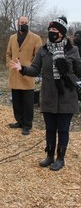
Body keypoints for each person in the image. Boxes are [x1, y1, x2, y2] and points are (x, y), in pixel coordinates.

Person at [10, 16, 81, 171]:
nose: (51, 32)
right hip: (48, 95)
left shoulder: (72, 50)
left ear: (61, 33)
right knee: (50, 129)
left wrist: (67, 71)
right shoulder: (43, 50)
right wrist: (22, 68)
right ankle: (49, 156)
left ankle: (60, 158)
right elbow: (35, 69)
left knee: (62, 129)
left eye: (54, 30)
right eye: (50, 29)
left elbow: (79, 71)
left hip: (67, 97)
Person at [6, 16, 42, 135]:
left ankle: (27, 124)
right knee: (16, 101)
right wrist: (10, 64)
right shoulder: (12, 37)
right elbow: (8, 53)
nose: (24, 24)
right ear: (18, 24)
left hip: (27, 73)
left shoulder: (36, 38)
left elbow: (38, 56)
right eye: (22, 22)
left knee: (27, 102)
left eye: (26, 22)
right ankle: (19, 121)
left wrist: (29, 67)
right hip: (14, 74)